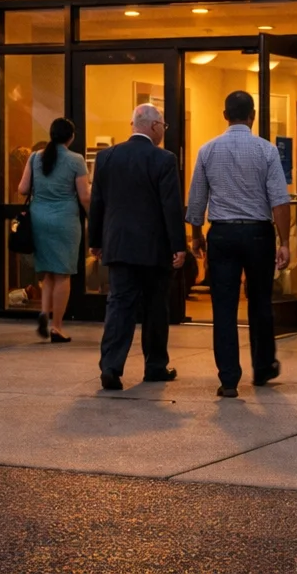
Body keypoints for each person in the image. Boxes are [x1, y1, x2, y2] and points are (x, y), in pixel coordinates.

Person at [187, 90, 291, 398]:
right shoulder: (267, 151)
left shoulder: (207, 150)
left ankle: (229, 379)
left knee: (224, 307)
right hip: (259, 233)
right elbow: (279, 200)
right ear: (253, 115)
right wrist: (284, 241)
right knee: (260, 301)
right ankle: (262, 366)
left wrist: (196, 235)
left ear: (224, 115)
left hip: (222, 234)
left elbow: (196, 201)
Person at [88, 103, 187, 390]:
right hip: (154, 248)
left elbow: (98, 203)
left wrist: (96, 240)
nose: (163, 132)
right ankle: (155, 365)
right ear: (155, 126)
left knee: (120, 304)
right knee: (156, 306)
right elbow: (170, 206)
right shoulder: (163, 160)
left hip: (118, 245)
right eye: (163, 127)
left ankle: (111, 366)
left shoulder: (107, 158)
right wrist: (177, 245)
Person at [18, 117, 90, 343]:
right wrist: (94, 217)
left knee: (48, 273)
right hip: (65, 220)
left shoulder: (34, 157)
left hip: (39, 219)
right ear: (71, 137)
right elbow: (85, 196)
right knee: (63, 274)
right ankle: (57, 326)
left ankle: (43, 312)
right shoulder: (76, 160)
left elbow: (22, 189)